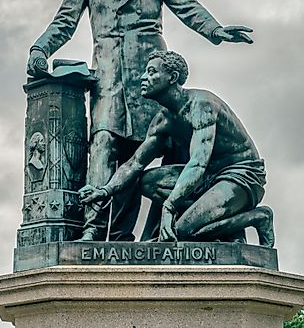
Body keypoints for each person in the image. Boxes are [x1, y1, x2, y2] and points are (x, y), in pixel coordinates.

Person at [27, 0, 253, 241]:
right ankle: (95, 229)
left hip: (154, 80)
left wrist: (215, 30)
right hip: (110, 81)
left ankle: (167, 232)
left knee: (169, 151)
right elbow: (65, 22)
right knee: (104, 146)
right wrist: (41, 47)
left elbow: (187, 7)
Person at [79, 51, 274, 246]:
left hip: (240, 176)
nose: (142, 77)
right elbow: (135, 163)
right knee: (146, 181)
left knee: (183, 231)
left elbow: (198, 163)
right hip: (208, 178)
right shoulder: (163, 120)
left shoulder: (202, 105)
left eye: (151, 72)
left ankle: (257, 217)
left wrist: (170, 206)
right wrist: (104, 191)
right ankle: (217, 216)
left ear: (172, 77)